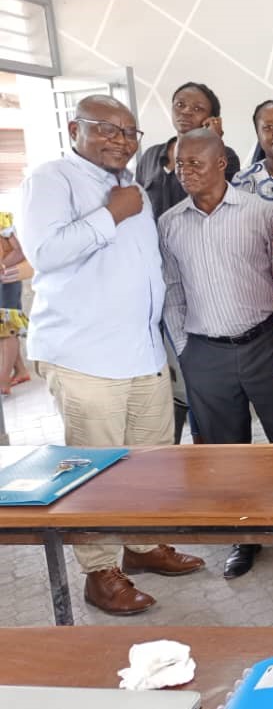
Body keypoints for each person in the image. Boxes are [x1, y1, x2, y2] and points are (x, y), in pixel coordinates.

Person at [21, 95, 204, 615]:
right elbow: (45, 253)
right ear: (74, 129)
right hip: (84, 354)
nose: (121, 141)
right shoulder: (51, 179)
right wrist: (111, 214)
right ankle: (99, 570)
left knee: (149, 463)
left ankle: (142, 545)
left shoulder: (132, 188)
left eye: (129, 132)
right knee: (95, 468)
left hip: (141, 351)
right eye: (107, 129)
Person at [159, 128, 273, 580]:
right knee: (227, 455)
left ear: (221, 164)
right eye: (180, 164)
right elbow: (173, 291)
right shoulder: (170, 223)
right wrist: (186, 351)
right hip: (206, 354)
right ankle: (245, 535)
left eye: (195, 163)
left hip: (265, 344)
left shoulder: (261, 213)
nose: (186, 172)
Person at [136, 81, 241, 219]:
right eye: (180, 105)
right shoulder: (151, 155)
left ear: (211, 119)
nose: (186, 112)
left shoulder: (226, 156)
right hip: (155, 232)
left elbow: (224, 203)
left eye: (198, 109)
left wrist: (213, 141)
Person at [0, 215, 30, 394]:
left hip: (7, 280)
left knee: (7, 329)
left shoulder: (2, 218)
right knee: (3, 330)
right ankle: (21, 370)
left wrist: (2, 265)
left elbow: (20, 251)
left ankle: (3, 381)